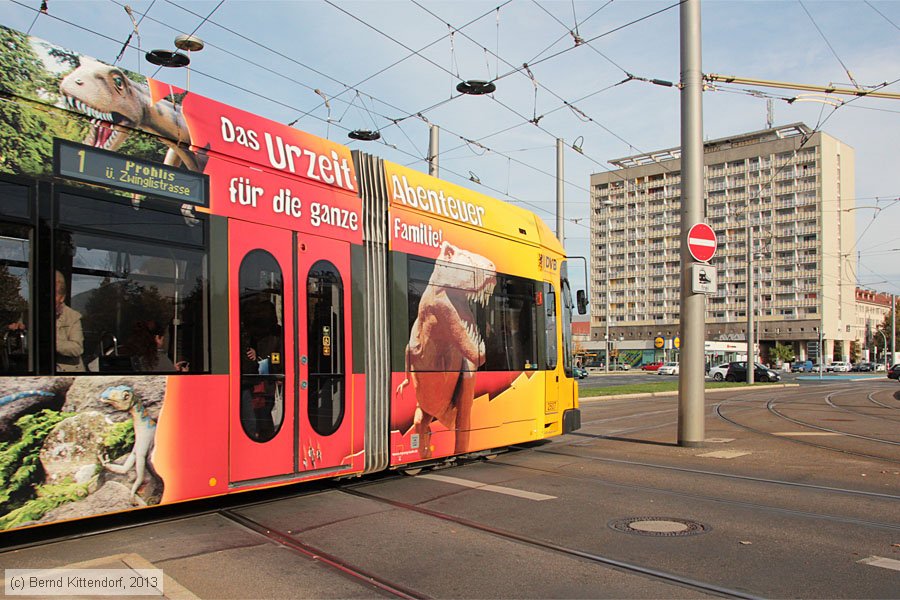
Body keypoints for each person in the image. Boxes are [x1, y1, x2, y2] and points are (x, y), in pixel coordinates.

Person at [55, 270, 84, 372]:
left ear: (62, 297)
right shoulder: (29, 314)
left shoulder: (73, 317)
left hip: (69, 372)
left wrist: (51, 343)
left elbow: (77, 348)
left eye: (54, 294)